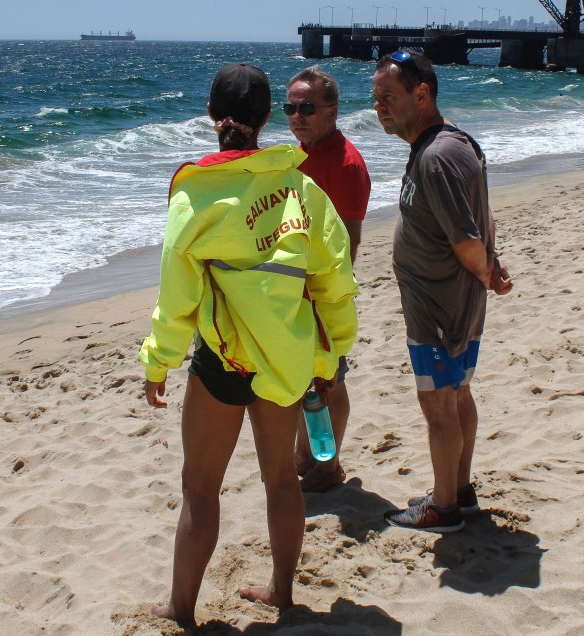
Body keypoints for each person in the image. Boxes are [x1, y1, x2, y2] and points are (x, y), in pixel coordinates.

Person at [138, 63, 358, 624]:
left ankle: (180, 608)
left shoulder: (195, 194)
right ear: (268, 119)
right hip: (284, 356)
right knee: (282, 479)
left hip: (222, 358)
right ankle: (282, 592)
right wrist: (330, 356)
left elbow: (177, 298)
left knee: (200, 488)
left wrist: (158, 361)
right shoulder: (301, 188)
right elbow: (335, 283)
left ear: (213, 116)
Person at [371, 50, 513, 532]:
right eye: (375, 98)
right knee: (457, 395)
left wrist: (486, 268)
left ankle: (444, 507)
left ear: (422, 94)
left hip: (439, 304)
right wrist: (490, 266)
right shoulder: (451, 142)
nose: (379, 107)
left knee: (439, 403)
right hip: (451, 299)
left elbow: (465, 236)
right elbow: (481, 217)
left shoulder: (436, 156)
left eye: (388, 97)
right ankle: (461, 490)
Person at [284, 65, 371, 493]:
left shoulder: (346, 164)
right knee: (305, 379)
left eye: (307, 108)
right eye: (290, 107)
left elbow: (349, 242)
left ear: (333, 111)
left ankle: (328, 465)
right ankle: (306, 456)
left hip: (324, 294)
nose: (297, 116)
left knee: (331, 381)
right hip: (293, 290)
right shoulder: (299, 155)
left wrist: (327, 297)